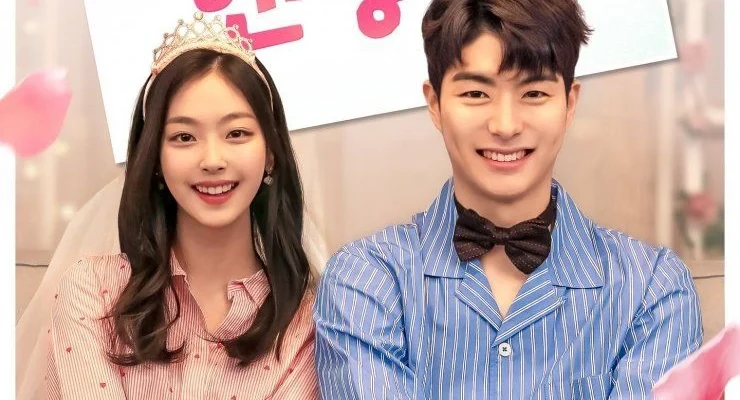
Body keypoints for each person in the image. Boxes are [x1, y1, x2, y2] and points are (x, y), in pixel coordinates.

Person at [313, 1, 704, 399]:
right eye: (476, 93)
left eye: (533, 92)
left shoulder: (651, 289)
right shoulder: (366, 281)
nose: (505, 125)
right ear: (435, 104)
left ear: (569, 104)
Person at [40, 12, 319, 399]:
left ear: (271, 152)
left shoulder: (306, 322)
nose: (212, 160)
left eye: (237, 133)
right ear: (154, 158)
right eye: (184, 137)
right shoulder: (93, 292)